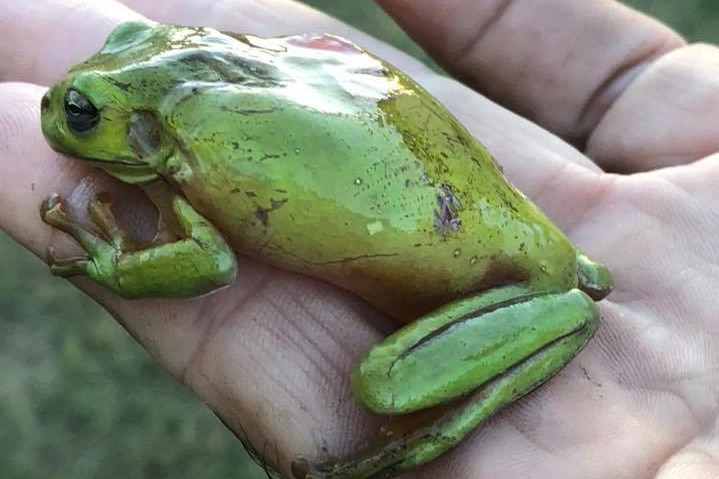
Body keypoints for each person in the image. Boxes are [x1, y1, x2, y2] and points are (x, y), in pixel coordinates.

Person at [2, 0, 717, 477]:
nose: (63, 109)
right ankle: (552, 276)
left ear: (149, 132)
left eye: (83, 113)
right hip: (483, 218)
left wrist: (117, 265)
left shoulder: (192, 151)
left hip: (497, 278)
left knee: (384, 380)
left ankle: (456, 410)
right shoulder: (202, 127)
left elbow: (210, 259)